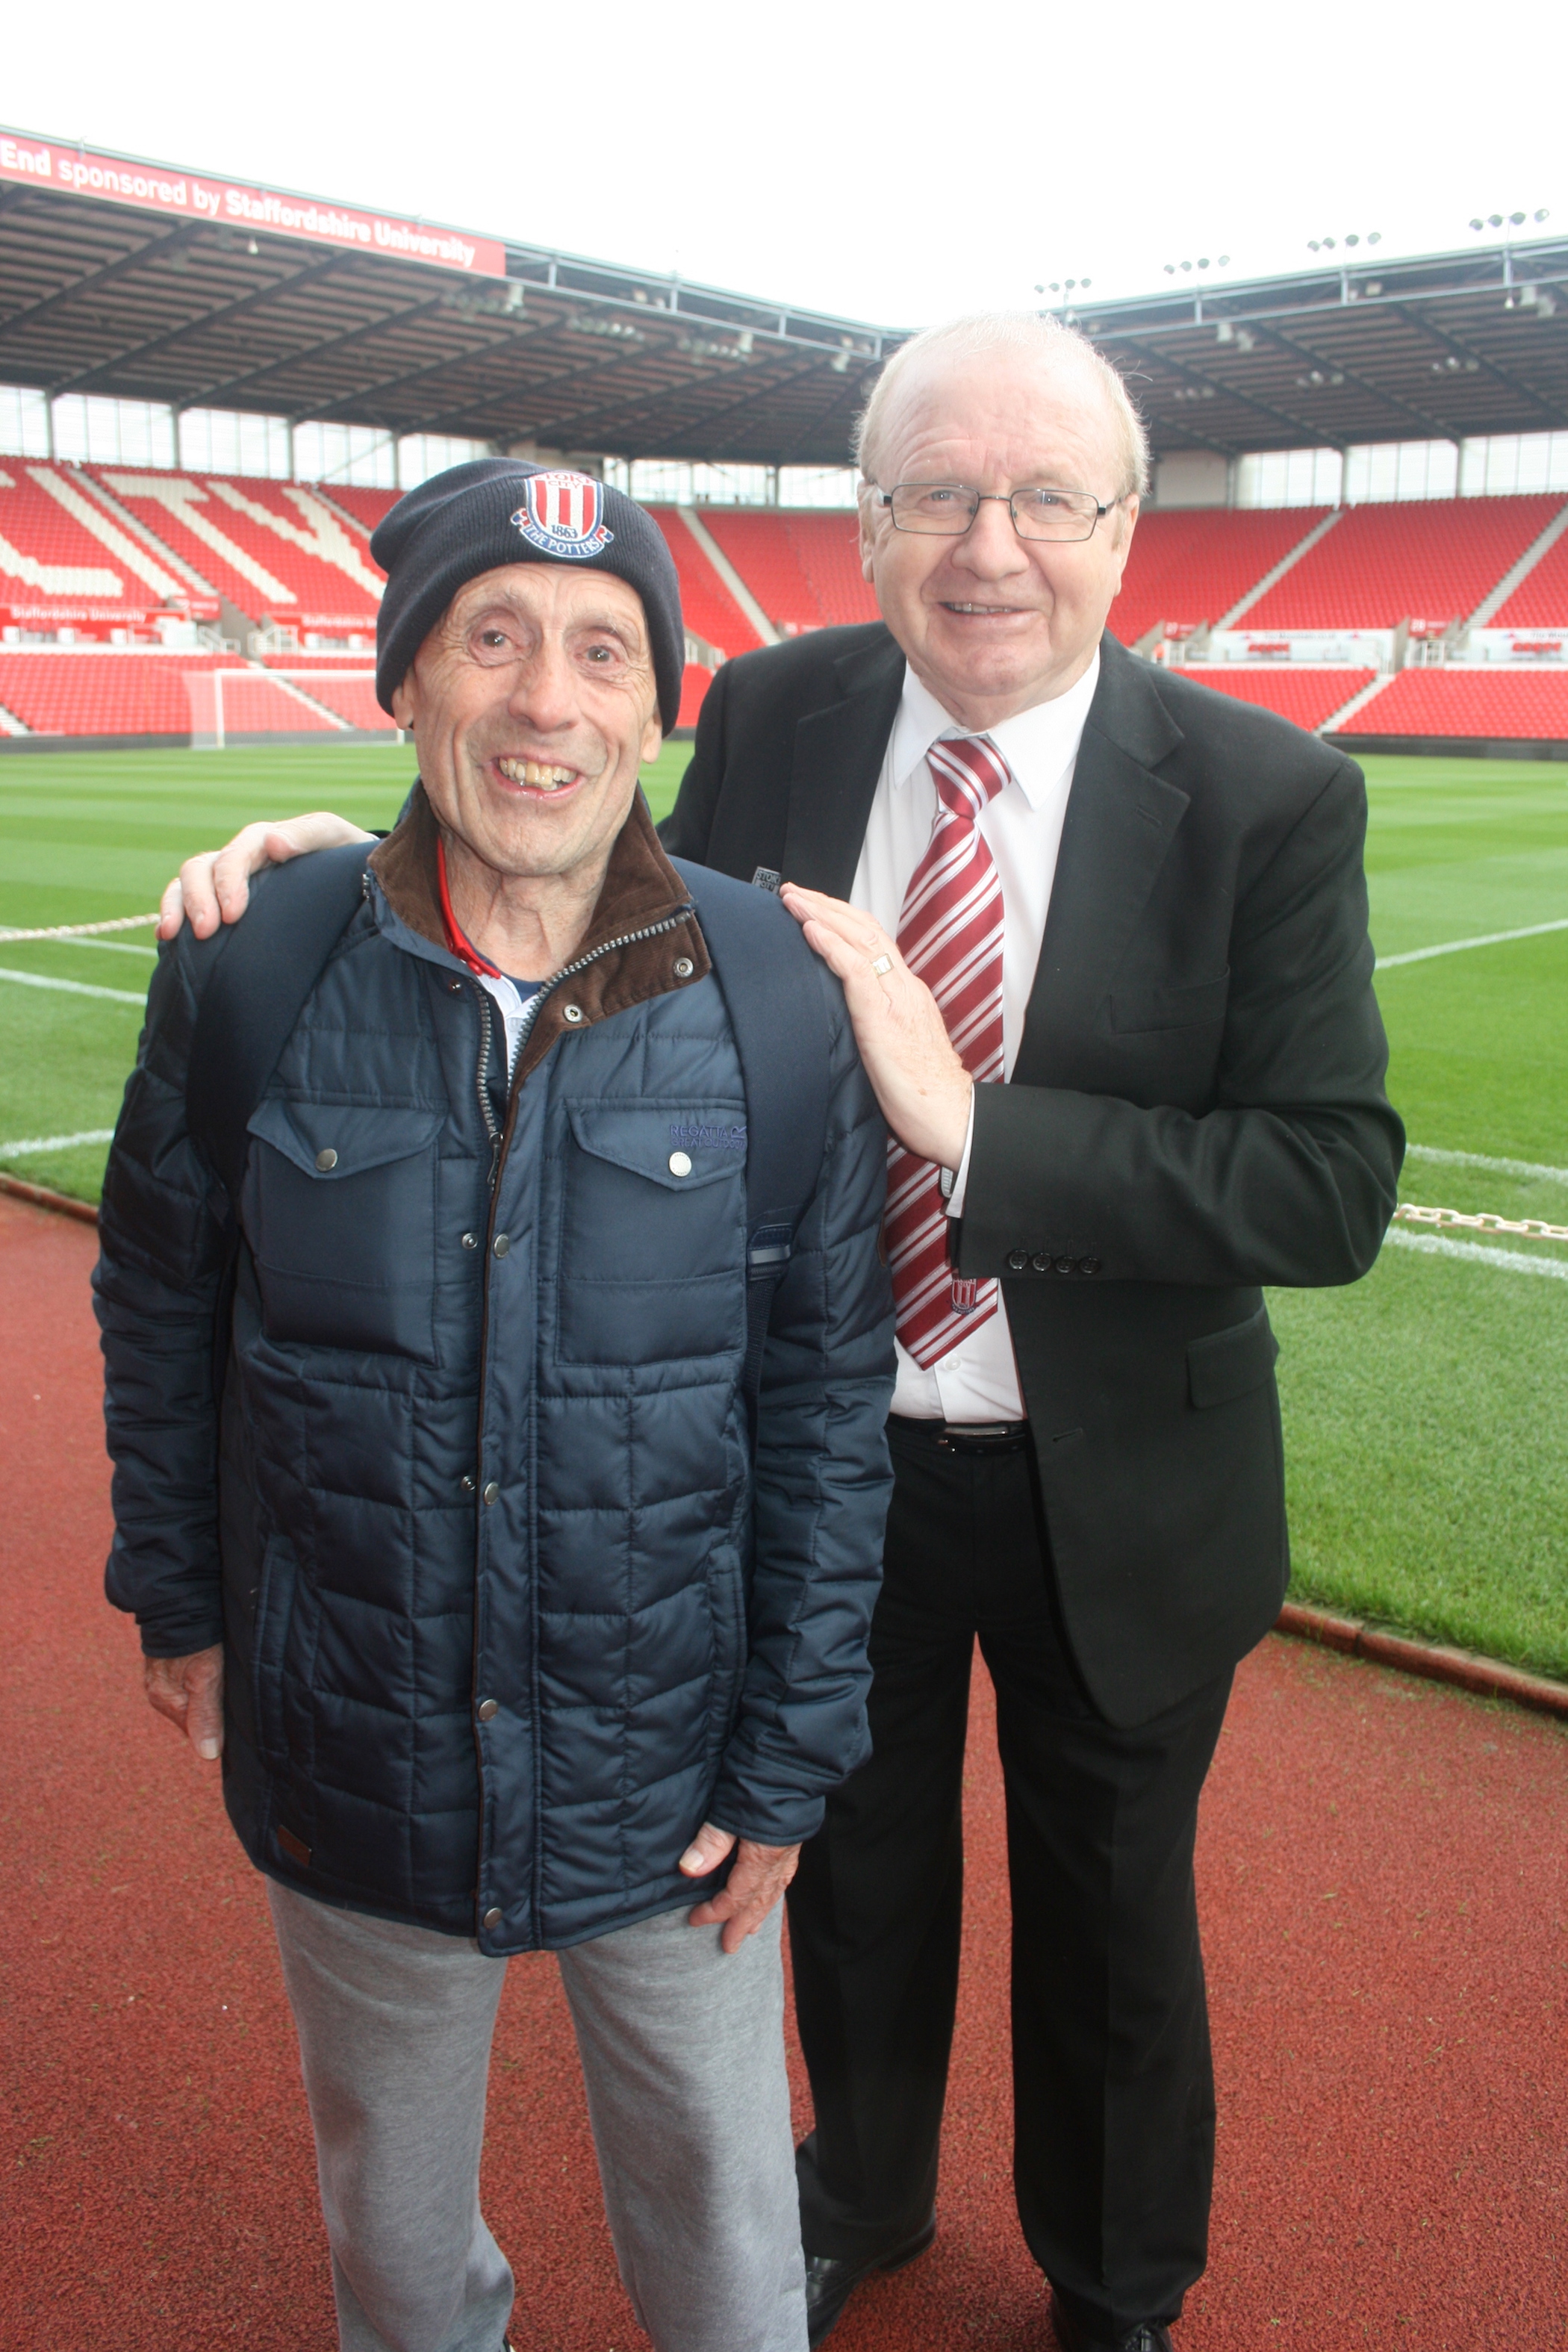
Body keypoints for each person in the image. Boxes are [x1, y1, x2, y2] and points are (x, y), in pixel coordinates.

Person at [160, 313, 1403, 2352]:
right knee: (837, 1867)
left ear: (1123, 531)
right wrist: (326, 875)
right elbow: (579, 888)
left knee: (1109, 1920)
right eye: (935, 492)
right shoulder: (776, 715)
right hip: (813, 1450)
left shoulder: (1268, 795)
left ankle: (1116, 2285)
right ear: (867, 524)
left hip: (1123, 1485)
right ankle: (864, 2190)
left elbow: (1326, 1183)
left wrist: (971, 1125)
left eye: (1042, 499)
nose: (987, 545)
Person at [97, 458, 895, 2352]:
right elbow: (158, 1298)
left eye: (603, 650)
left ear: (652, 705)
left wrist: (792, 1746)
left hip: (675, 1765)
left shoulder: (777, 995)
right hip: (358, 1741)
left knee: (725, 2236)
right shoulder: (255, 967)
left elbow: (825, 1398)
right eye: (496, 638)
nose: (549, 700)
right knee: (391, 2239)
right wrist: (184, 1597)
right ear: (406, 682)